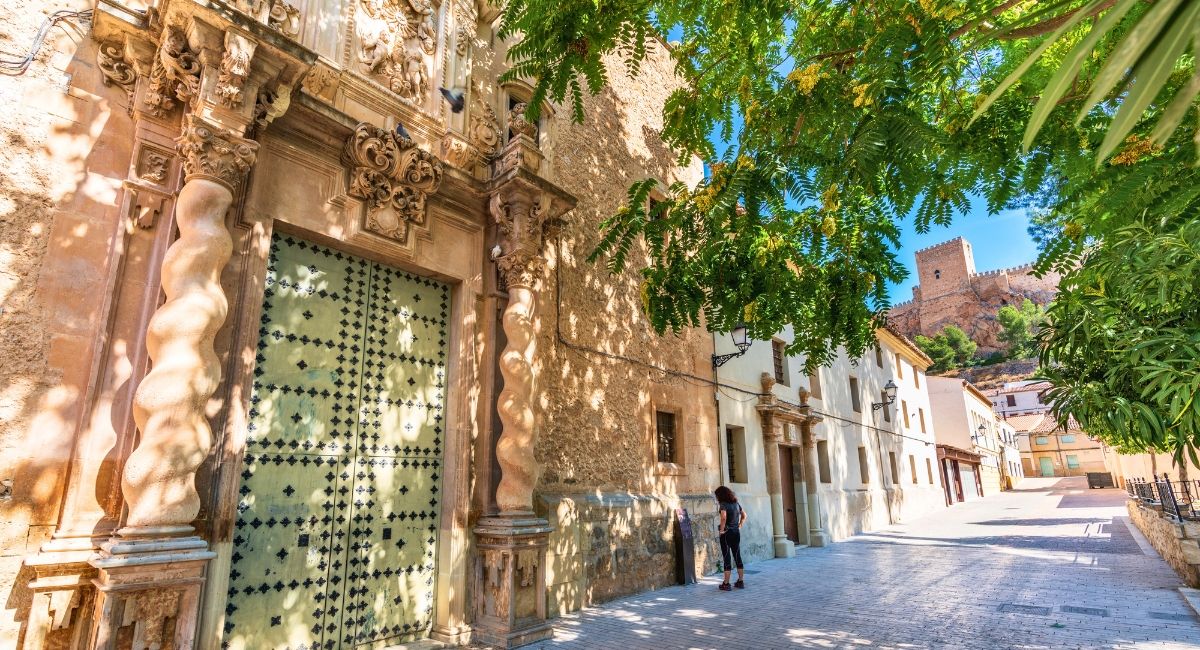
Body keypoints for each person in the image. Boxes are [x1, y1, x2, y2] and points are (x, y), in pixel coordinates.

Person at [714, 485, 746, 591]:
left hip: (727, 533)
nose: (716, 498)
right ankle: (740, 581)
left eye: (717, 496)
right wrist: (740, 525)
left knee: (727, 557)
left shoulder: (723, 504)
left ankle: (726, 584)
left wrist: (721, 531)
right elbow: (744, 515)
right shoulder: (736, 503)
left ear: (720, 495)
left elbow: (723, 518)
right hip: (736, 532)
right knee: (737, 555)